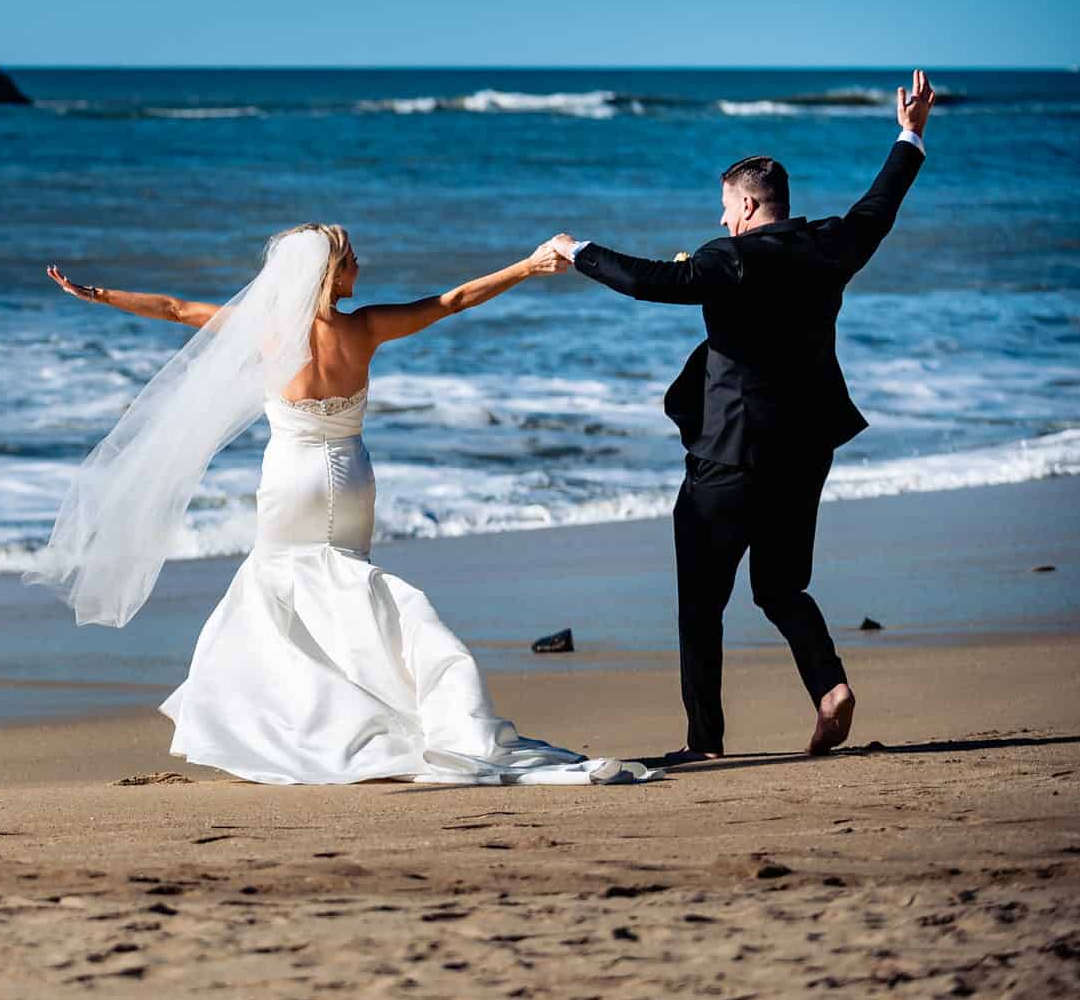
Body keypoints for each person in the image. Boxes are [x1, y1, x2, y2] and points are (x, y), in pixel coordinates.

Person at [32, 227, 660, 786]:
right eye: (352, 258)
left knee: (280, 587)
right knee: (352, 584)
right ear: (331, 274)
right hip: (352, 478)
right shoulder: (365, 327)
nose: (361, 265)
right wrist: (525, 268)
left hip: (290, 480)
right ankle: (394, 703)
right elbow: (453, 300)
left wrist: (101, 295)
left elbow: (172, 308)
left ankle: (296, 719)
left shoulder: (267, 331)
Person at [547, 70, 935, 764]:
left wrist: (576, 250)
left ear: (751, 205)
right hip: (806, 449)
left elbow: (648, 282)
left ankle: (706, 744)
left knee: (700, 604)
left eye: (728, 208)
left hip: (729, 456)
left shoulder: (729, 258)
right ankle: (830, 687)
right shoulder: (831, 243)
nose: (722, 220)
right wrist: (910, 133)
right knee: (782, 586)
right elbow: (882, 203)